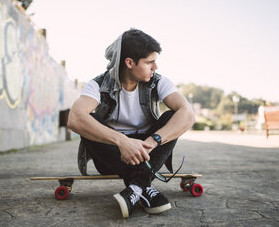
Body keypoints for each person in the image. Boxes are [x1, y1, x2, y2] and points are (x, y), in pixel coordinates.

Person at [67, 29, 194, 218]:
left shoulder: (158, 82)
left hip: (148, 152)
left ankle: (135, 189)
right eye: (149, 62)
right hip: (112, 155)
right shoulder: (98, 84)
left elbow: (188, 115)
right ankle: (144, 186)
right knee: (89, 120)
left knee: (172, 116)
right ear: (129, 62)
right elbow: (75, 118)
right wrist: (122, 141)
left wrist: (153, 141)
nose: (155, 67)